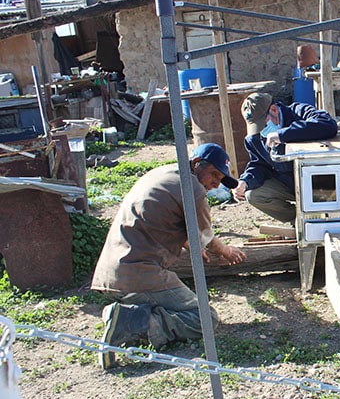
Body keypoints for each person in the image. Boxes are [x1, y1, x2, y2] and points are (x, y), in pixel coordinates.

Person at [91, 143, 246, 368]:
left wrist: (189, 243)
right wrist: (227, 251)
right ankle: (136, 322)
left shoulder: (162, 173)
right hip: (141, 273)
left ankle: (129, 308)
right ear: (196, 164)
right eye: (214, 174)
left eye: (220, 179)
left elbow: (159, 219)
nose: (216, 184)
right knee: (205, 319)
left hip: (112, 269)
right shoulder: (193, 190)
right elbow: (206, 237)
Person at [233, 98, 338, 223]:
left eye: (264, 125)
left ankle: (322, 216)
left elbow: (328, 124)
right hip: (289, 183)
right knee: (254, 195)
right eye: (257, 127)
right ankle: (299, 220)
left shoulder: (299, 112)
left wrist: (283, 135)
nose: (262, 131)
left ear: (274, 110)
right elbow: (260, 165)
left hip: (319, 182)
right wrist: (245, 181)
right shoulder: (254, 138)